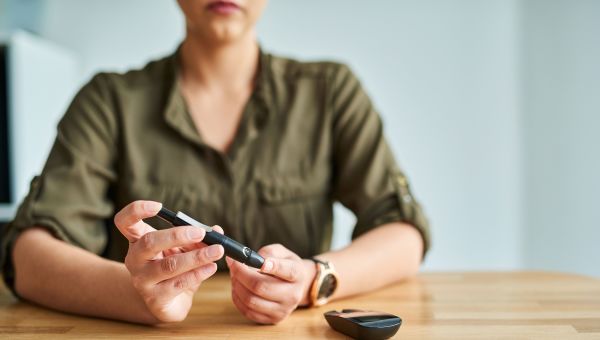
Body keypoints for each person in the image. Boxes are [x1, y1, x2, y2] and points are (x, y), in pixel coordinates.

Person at [0, 0, 430, 325]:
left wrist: (315, 279)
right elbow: (28, 256)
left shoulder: (331, 92)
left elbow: (403, 232)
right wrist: (142, 295)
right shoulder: (109, 101)